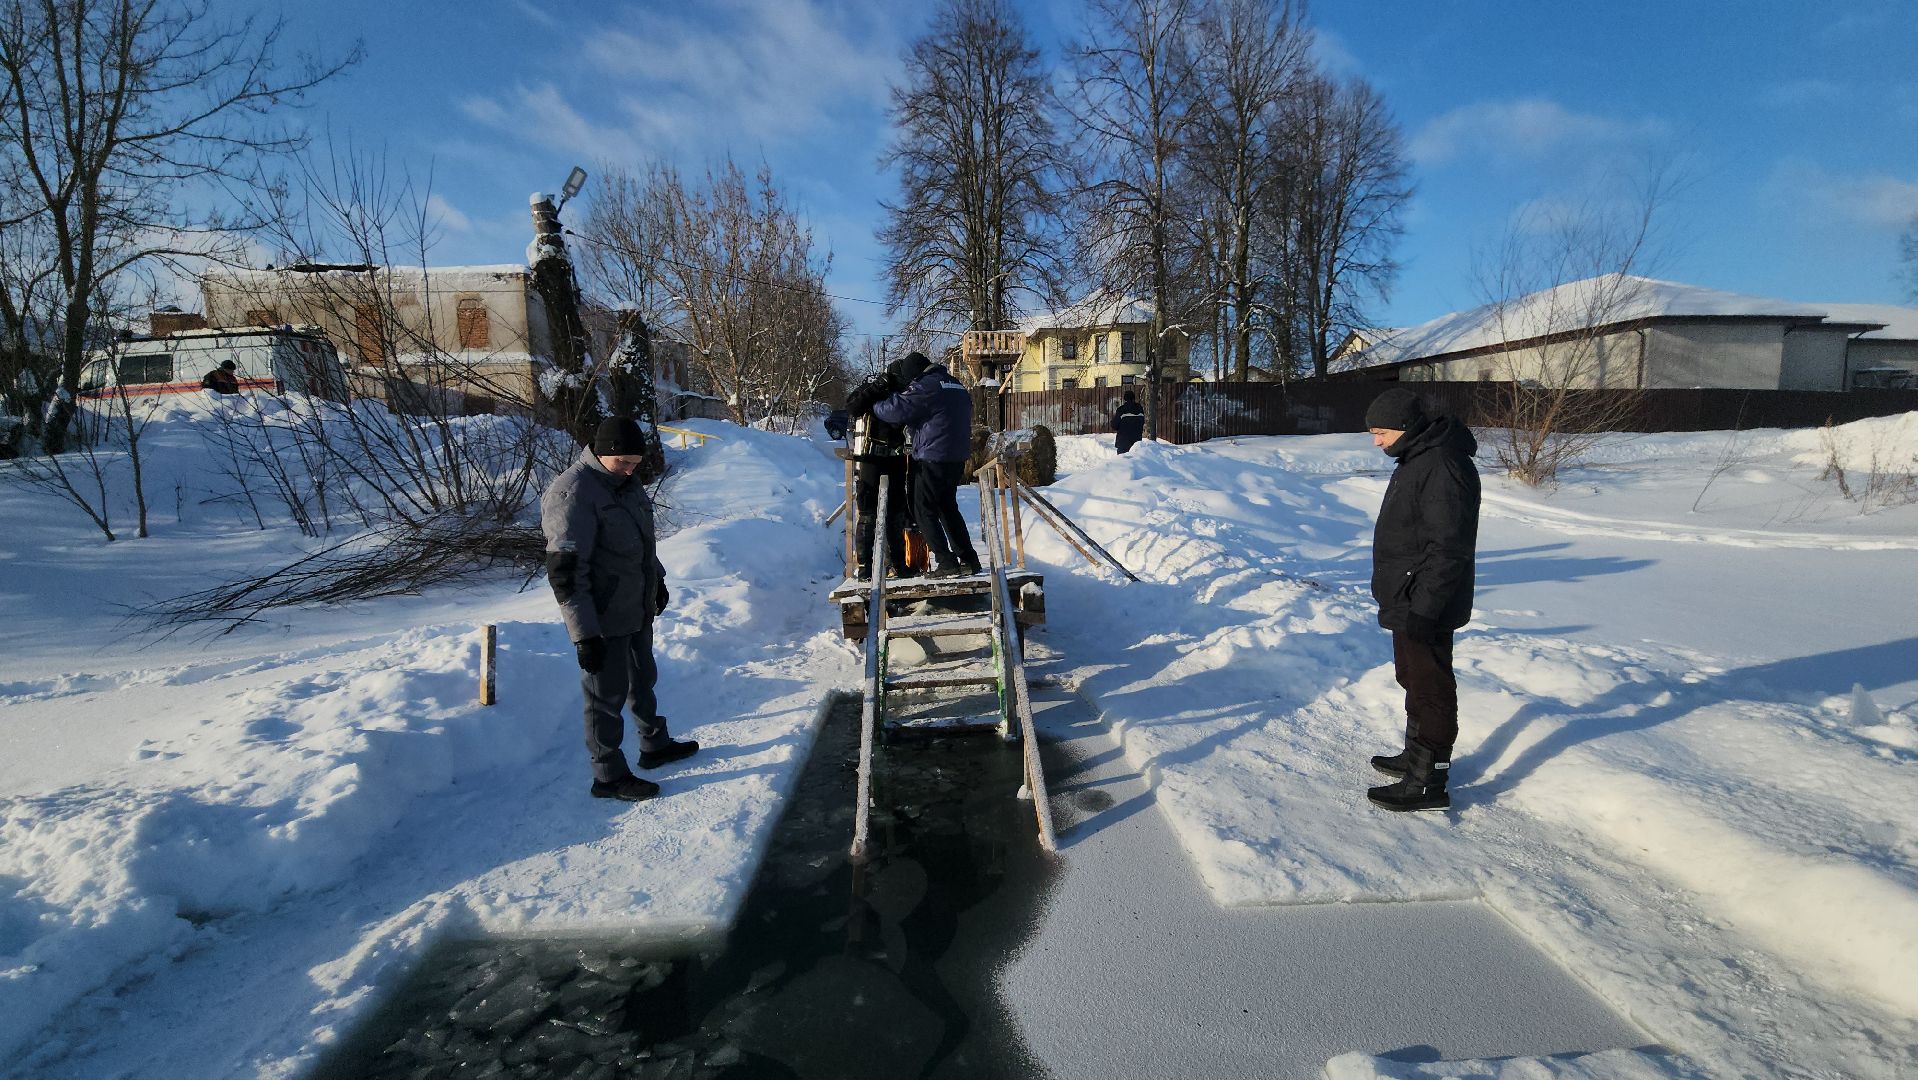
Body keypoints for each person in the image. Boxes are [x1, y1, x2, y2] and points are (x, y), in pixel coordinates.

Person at [541, 417, 699, 802]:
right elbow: (566, 573)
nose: (631, 469)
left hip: (635, 606)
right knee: (604, 696)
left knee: (643, 677)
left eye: (635, 463)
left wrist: (657, 580)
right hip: (601, 616)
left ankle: (654, 745)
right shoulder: (572, 492)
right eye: (624, 462)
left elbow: (644, 543)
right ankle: (608, 775)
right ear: (602, 452)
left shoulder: (626, 484)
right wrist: (584, 635)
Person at [1363, 386, 1480, 813]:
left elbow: (1449, 547)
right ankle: (1415, 756)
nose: (1376, 441)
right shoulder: (1417, 457)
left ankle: (1429, 781)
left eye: (1380, 431)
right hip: (1408, 596)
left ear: (1407, 427)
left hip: (1426, 602)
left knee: (1431, 687)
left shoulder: (1443, 465)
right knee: (1413, 678)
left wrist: (1425, 607)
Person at [871, 351, 981, 578]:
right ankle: (969, 559)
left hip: (933, 457)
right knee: (947, 508)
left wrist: (874, 403)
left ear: (914, 374)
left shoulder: (925, 387)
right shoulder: (955, 384)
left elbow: (895, 410)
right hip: (957, 457)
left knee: (922, 509)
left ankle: (945, 560)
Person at [843, 371, 910, 580]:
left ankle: (898, 564)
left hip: (895, 459)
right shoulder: (870, 391)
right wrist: (875, 388)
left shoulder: (903, 394)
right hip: (870, 460)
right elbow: (852, 407)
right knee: (868, 514)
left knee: (896, 515)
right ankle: (865, 567)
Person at [1112, 389, 1145, 454]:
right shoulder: (1140, 409)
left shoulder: (1121, 410)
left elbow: (1114, 425)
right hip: (1136, 443)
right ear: (1133, 398)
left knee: (1122, 462)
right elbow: (1142, 422)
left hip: (1123, 443)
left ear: (1125, 399)